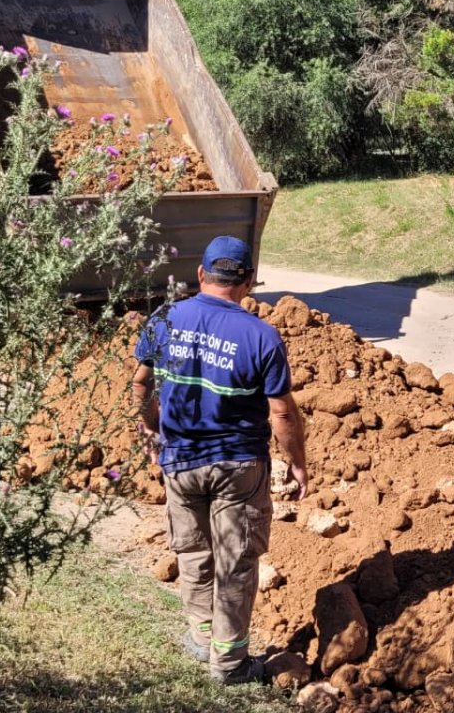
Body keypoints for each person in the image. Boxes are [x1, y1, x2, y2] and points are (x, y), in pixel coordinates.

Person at [132, 235, 308, 685]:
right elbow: (282, 413)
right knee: (236, 561)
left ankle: (201, 636)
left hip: (181, 460)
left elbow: (141, 383)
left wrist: (151, 425)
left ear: (201, 274)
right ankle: (229, 663)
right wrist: (297, 462)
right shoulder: (261, 336)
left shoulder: (165, 318)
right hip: (237, 465)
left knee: (193, 552)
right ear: (248, 281)